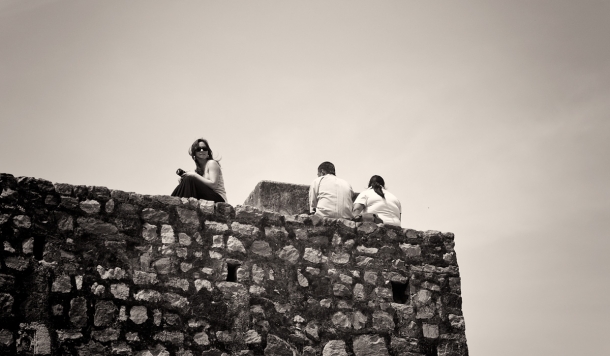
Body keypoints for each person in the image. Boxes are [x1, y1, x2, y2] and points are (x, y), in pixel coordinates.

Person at [171, 138, 227, 203]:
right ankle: (173, 203)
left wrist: (194, 175)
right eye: (198, 149)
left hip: (219, 199)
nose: (202, 150)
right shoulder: (199, 171)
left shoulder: (212, 163)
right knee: (187, 179)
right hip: (206, 197)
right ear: (194, 153)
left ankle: (175, 203)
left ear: (208, 151)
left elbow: (213, 185)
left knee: (190, 178)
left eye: (204, 148)